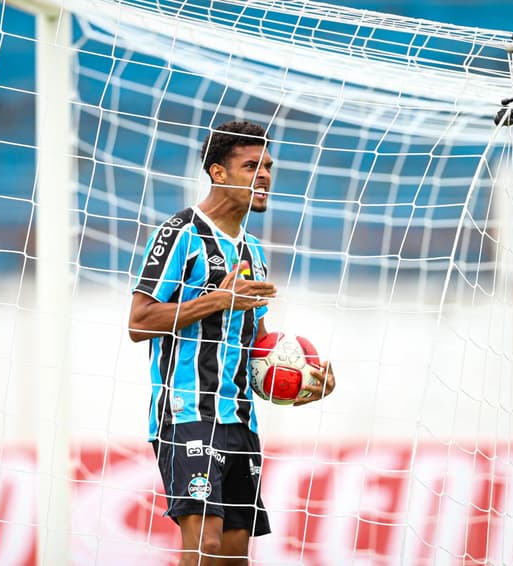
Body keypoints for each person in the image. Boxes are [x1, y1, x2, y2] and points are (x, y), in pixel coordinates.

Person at [128, 120, 336, 565]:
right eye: (250, 166)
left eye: (267, 166)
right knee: (205, 545)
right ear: (218, 172)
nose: (263, 175)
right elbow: (139, 322)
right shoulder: (180, 233)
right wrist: (219, 300)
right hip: (187, 414)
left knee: (235, 555)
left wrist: (302, 382)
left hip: (241, 419)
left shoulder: (254, 253)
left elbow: (255, 346)